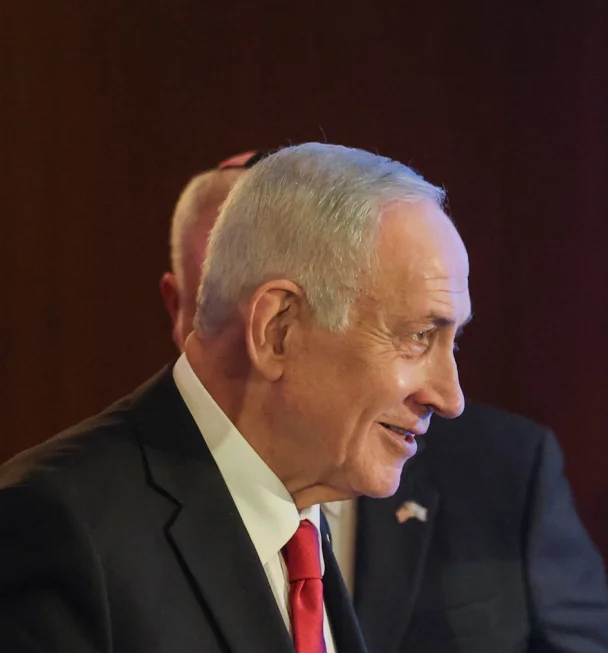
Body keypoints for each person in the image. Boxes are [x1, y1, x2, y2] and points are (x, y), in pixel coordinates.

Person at [159, 151, 608, 653]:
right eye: (213, 302)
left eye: (442, 338)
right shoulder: (102, 528)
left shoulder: (506, 469)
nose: (449, 398)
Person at [0, 143, 469, 653]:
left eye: (452, 341)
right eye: (418, 336)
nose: (450, 397)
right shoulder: (56, 529)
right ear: (278, 330)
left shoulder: (303, 526)